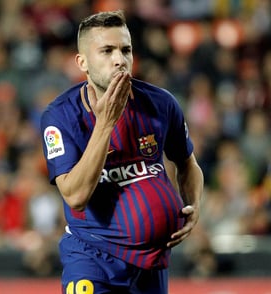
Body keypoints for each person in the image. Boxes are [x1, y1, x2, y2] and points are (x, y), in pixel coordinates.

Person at [40, 10, 204, 294]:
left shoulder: (161, 103)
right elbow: (75, 196)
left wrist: (193, 203)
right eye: (107, 50)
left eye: (125, 49)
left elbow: (187, 162)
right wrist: (105, 123)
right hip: (93, 257)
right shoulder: (60, 117)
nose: (120, 59)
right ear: (83, 62)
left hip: (151, 264)